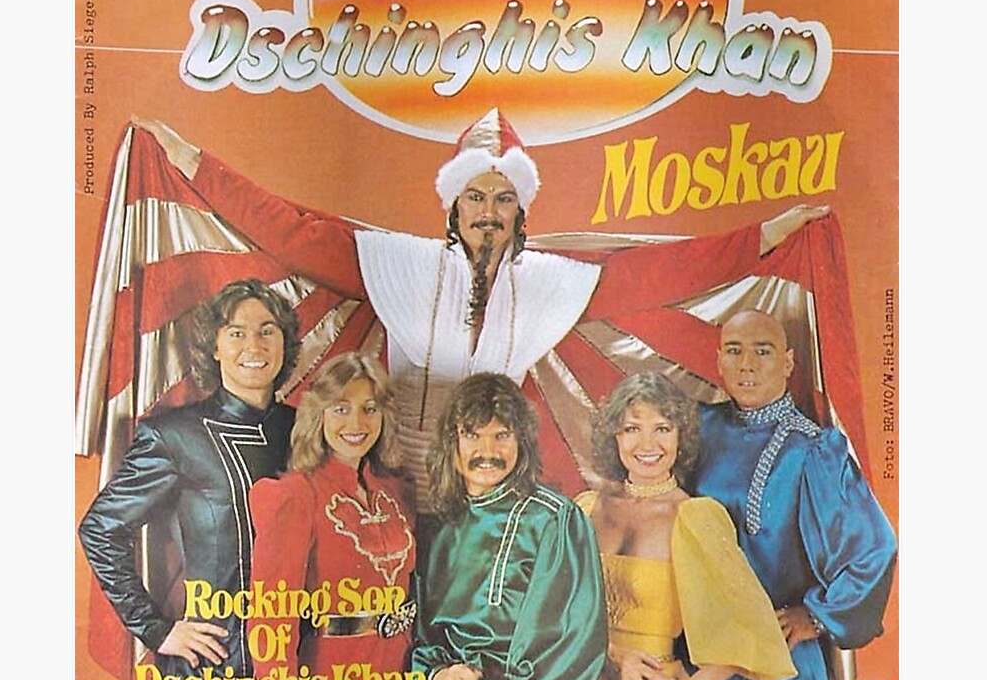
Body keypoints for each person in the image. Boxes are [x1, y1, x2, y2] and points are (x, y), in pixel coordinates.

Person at [132, 109, 827, 510]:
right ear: (453, 206)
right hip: (393, 473)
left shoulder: (549, 282)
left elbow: (655, 274)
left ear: (521, 211)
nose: (488, 212)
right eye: (475, 197)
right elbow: (291, 232)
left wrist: (764, 237)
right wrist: (194, 164)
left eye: (502, 199)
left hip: (490, 479)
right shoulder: (398, 264)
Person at [78, 278, 301, 680]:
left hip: (299, 675)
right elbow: (100, 529)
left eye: (267, 330)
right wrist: (156, 629)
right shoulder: (175, 434)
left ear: (284, 343)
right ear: (214, 346)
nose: (254, 345)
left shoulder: (307, 429)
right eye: (236, 332)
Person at [690, 308, 898, 680]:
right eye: (734, 350)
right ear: (719, 360)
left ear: (788, 363)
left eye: (762, 351)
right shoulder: (699, 428)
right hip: (700, 660)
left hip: (778, 673)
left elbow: (874, 550)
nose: (746, 364)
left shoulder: (813, 450)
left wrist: (815, 617)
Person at [577, 373, 795, 680]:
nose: (647, 444)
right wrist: (615, 655)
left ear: (681, 436)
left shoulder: (694, 518)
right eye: (632, 428)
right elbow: (551, 614)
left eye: (662, 428)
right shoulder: (586, 509)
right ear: (614, 436)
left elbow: (752, 630)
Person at [411, 372, 606, 680]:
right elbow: (421, 636)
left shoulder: (554, 520)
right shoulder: (436, 528)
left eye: (502, 435)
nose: (487, 452)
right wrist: (435, 678)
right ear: (451, 443)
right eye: (472, 435)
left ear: (522, 441)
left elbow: (571, 641)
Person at [248, 352, 417, 680]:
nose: (356, 423)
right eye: (341, 409)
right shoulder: (296, 495)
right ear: (318, 414)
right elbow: (270, 625)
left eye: (369, 409)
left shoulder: (395, 491)